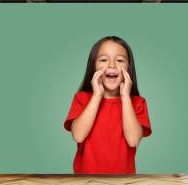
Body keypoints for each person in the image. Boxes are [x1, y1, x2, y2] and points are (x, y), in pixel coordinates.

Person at [64, 36, 152, 174]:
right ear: (93, 67)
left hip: (122, 183)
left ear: (129, 68)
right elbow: (78, 136)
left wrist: (125, 96)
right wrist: (97, 96)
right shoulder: (82, 99)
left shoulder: (137, 103)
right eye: (104, 60)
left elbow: (133, 140)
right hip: (86, 181)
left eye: (120, 60)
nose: (112, 65)